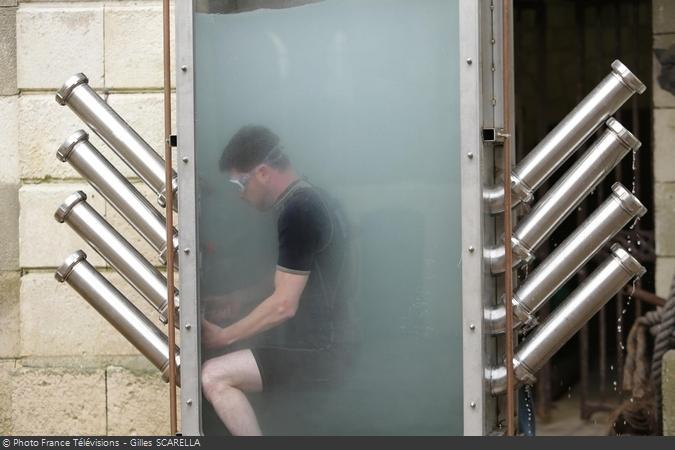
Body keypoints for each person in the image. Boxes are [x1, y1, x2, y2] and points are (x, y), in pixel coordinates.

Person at [201, 125, 352, 436]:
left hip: (318, 353)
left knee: (214, 376)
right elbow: (292, 279)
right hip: (329, 343)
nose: (239, 196)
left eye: (238, 184)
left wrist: (224, 336)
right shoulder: (312, 199)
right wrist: (239, 299)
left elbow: (284, 305)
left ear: (263, 173)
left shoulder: (298, 211)